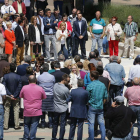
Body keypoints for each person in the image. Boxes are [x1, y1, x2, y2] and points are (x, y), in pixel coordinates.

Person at [20, 75, 46, 140]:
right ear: (36, 80)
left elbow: (21, 96)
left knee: (26, 124)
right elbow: (44, 97)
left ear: (28, 81)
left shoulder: (24, 87)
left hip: (27, 109)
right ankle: (32, 137)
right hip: (37, 110)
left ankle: (26, 137)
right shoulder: (40, 88)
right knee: (34, 125)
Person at [86, 71, 108, 140]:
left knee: (91, 123)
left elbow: (87, 97)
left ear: (92, 77)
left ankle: (91, 138)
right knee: (101, 123)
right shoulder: (102, 85)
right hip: (100, 106)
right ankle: (103, 137)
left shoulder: (90, 85)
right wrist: (102, 103)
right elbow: (105, 97)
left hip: (92, 106)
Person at [2, 63, 22, 130]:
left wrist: (9, 94)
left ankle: (5, 125)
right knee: (16, 110)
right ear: (15, 68)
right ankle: (16, 125)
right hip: (15, 96)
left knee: (6, 110)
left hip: (8, 96)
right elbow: (19, 87)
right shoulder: (18, 76)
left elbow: (4, 86)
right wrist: (15, 95)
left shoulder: (5, 76)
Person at [52, 74, 70, 140]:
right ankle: (61, 138)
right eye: (68, 81)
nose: (68, 82)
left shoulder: (55, 85)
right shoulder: (65, 89)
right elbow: (68, 98)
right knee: (62, 124)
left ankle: (53, 137)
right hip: (63, 108)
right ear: (64, 80)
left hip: (56, 107)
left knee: (55, 123)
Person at [37, 63, 55, 129]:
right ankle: (50, 124)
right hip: (50, 95)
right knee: (50, 111)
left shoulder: (39, 77)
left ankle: (42, 124)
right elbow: (53, 84)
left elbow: (38, 85)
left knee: (42, 110)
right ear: (48, 69)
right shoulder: (52, 77)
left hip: (42, 95)